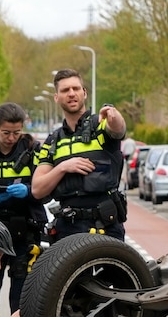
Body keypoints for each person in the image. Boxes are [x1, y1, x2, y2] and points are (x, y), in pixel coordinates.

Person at [31, 69, 128, 241]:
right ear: (56, 97)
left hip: (105, 226)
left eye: (76, 89)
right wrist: (62, 167)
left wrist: (113, 114)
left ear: (84, 93)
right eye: (65, 90)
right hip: (68, 228)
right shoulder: (53, 141)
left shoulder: (101, 125)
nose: (71, 94)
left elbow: (118, 128)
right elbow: (37, 190)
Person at [0, 102, 48, 314]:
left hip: (24, 236)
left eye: (17, 132)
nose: (12, 138)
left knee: (22, 302)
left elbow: (48, 190)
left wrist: (30, 191)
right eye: (6, 132)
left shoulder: (34, 151)